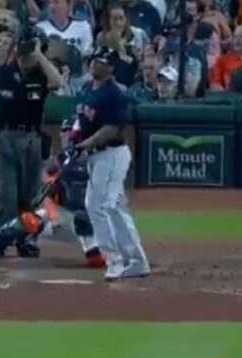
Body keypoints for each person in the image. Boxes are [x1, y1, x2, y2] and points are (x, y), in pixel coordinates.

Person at [0, 120, 105, 268]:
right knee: (27, 220)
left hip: (92, 223)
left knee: (97, 259)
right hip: (65, 219)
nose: (66, 135)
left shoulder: (99, 160)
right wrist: (52, 210)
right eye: (64, 132)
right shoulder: (59, 162)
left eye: (69, 131)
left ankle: (112, 251)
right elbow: (46, 189)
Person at [0, 30, 63, 258]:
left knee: (31, 194)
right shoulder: (2, 73)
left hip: (32, 139)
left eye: (28, 54)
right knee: (6, 195)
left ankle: (25, 239)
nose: (24, 58)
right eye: (22, 53)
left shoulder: (41, 73)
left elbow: (58, 83)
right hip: (7, 138)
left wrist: (40, 56)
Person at [75, 48, 149, 281]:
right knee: (108, 206)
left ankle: (115, 260)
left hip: (112, 154)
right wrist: (75, 139)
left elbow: (112, 129)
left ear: (111, 68)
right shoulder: (86, 89)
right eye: (94, 60)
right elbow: (80, 120)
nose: (95, 64)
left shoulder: (114, 94)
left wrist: (86, 144)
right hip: (97, 157)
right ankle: (135, 260)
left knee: (103, 206)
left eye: (101, 62)